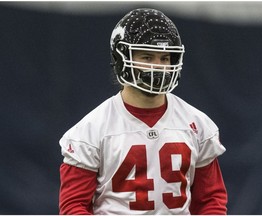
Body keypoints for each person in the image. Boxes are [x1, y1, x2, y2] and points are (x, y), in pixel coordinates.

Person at [59, 8, 228, 215]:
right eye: (147, 57)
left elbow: (210, 200)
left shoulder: (197, 124)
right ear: (121, 58)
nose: (158, 67)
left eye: (165, 58)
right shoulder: (91, 130)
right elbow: (73, 206)